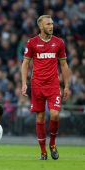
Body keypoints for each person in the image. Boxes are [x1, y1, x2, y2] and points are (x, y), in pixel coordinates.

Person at [21, 15, 70, 160]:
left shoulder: (59, 43)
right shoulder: (32, 43)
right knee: (40, 117)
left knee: (54, 114)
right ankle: (43, 151)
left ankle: (52, 144)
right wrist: (24, 83)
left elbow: (64, 65)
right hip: (37, 85)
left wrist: (66, 86)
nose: (51, 26)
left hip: (53, 84)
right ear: (41, 26)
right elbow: (25, 64)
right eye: (48, 24)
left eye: (52, 23)